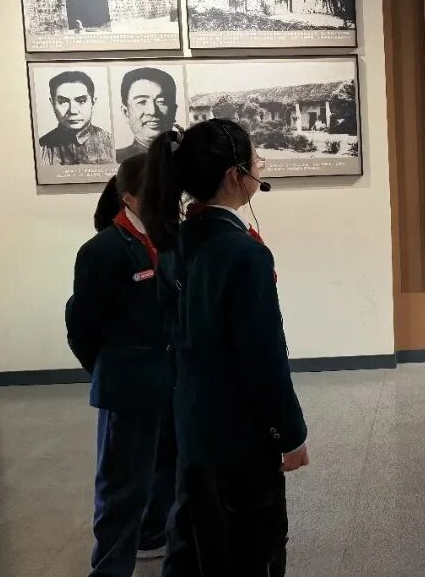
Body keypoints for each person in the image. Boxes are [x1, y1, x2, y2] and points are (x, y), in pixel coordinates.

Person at [143, 119, 309, 576]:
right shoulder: (245, 254)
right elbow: (263, 357)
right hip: (240, 435)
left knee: (198, 543)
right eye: (255, 158)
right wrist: (290, 433)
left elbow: (170, 332)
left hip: (193, 421)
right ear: (236, 176)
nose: (261, 165)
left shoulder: (175, 241)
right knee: (252, 547)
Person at [66, 154, 178, 576]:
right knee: (121, 484)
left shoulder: (170, 240)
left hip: (170, 380)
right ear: (129, 196)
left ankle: (151, 537)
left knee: (167, 469)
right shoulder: (103, 250)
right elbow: (82, 327)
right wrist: (110, 370)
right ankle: (111, 566)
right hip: (128, 388)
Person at [40, 70, 114, 166]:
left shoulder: (111, 144)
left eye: (81, 101)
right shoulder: (40, 147)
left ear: (93, 103)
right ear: (52, 104)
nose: (73, 111)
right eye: (63, 102)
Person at [116, 67, 179, 163]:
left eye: (161, 102)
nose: (152, 111)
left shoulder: (192, 156)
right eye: (141, 102)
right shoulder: (117, 158)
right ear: (126, 113)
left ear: (173, 111)